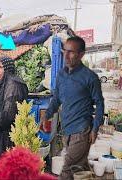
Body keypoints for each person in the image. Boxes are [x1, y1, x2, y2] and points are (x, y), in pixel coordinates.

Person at [41, 36, 104, 180]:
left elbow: (99, 103)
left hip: (82, 131)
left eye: (71, 52)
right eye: (65, 51)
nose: (66, 55)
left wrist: (95, 128)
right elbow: (56, 99)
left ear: (81, 54)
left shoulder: (90, 77)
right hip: (66, 131)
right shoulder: (62, 75)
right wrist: (47, 116)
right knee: (79, 168)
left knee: (67, 170)